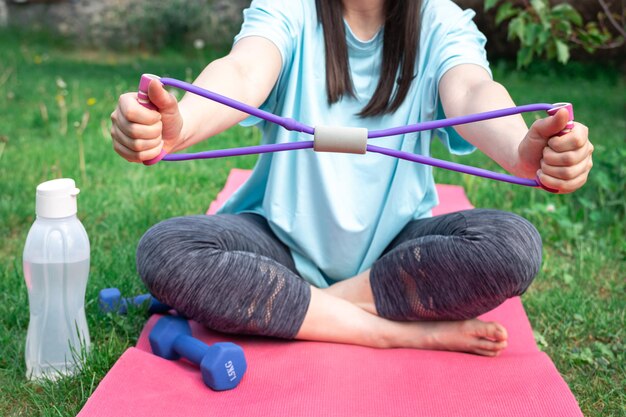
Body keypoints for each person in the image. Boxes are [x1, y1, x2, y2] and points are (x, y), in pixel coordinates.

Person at [110, 0, 593, 356]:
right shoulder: (288, 9)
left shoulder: (441, 20)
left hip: (394, 250)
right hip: (279, 243)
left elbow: (472, 90)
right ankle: (389, 331)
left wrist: (517, 151)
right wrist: (182, 125)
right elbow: (241, 72)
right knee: (166, 250)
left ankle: (308, 311)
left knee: (512, 245)